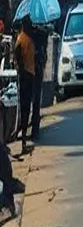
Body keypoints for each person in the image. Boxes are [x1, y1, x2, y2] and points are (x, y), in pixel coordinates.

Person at [13, 18, 36, 157]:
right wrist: (20, 67)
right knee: (25, 109)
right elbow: (17, 52)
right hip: (26, 75)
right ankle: (23, 142)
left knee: (26, 109)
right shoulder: (22, 39)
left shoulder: (25, 38)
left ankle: (24, 141)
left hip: (28, 74)